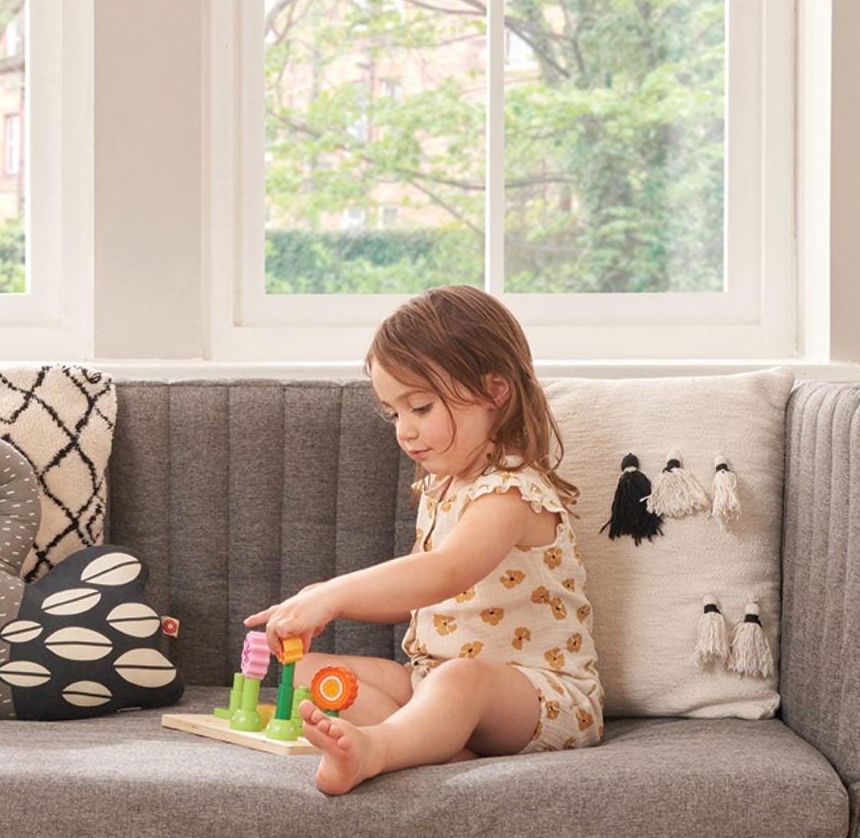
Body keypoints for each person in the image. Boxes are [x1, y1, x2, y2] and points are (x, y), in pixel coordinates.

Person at [244, 285, 601, 795]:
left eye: (421, 407)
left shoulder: (512, 492)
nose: (404, 431)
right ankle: (435, 745)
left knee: (460, 680)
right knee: (310, 672)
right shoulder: (441, 487)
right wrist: (319, 599)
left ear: (495, 391)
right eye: (395, 413)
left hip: (541, 699)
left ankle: (376, 749)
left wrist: (335, 594)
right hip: (433, 680)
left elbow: (447, 571)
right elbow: (416, 596)